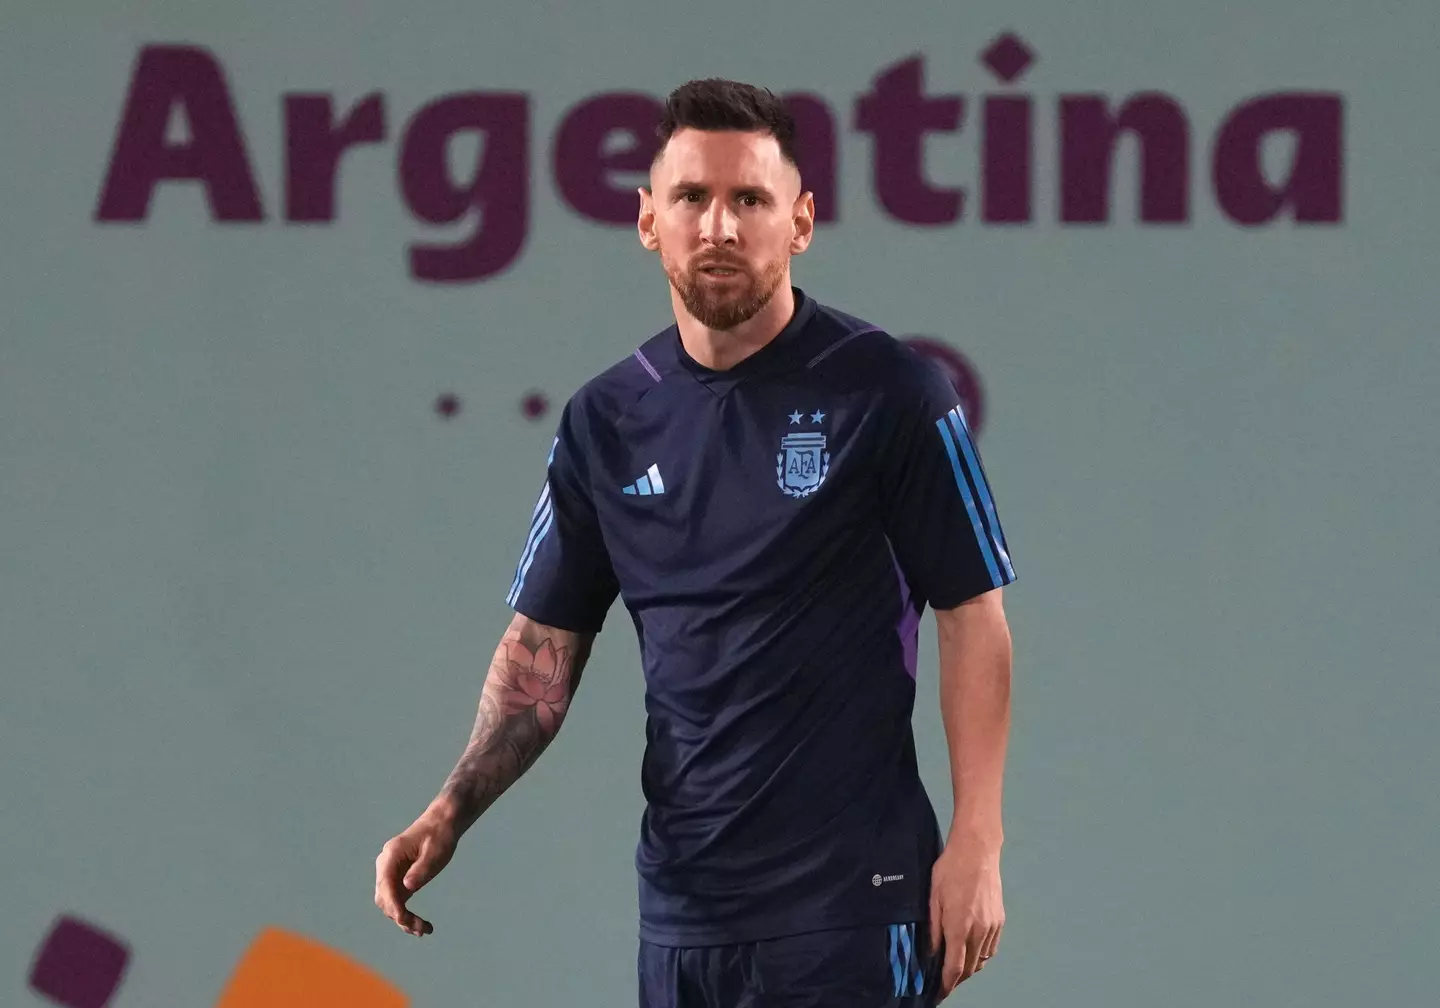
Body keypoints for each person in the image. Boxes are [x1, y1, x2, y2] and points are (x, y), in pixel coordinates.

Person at [375, 78, 1016, 1007]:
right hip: (684, 919)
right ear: (648, 222)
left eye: (749, 199)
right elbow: (542, 651)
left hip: (853, 905)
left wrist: (978, 843)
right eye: (692, 198)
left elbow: (974, 616)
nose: (719, 226)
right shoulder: (606, 420)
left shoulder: (891, 392)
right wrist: (451, 806)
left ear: (798, 223)